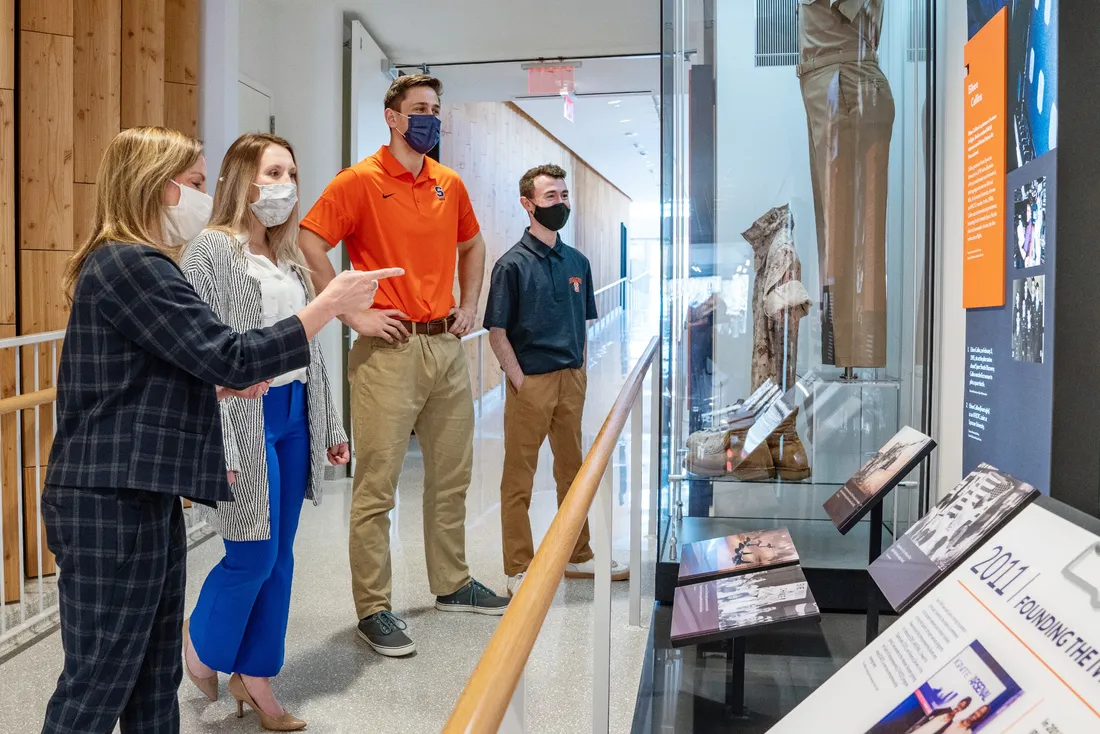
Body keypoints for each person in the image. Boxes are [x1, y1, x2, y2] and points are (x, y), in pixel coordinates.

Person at [39, 126, 398, 734]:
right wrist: (331, 303)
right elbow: (226, 351)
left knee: (152, 676)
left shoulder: (145, 265)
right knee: (100, 679)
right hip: (109, 497)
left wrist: (216, 386)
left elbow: (162, 367)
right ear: (158, 187)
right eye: (197, 184)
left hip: (142, 491)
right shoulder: (133, 265)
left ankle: (251, 672)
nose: (203, 197)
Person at [298, 74, 509, 658]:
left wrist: (469, 304)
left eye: (435, 110)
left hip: (444, 345)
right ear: (392, 117)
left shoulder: (449, 182)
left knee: (452, 476)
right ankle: (374, 609)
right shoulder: (359, 182)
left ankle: (452, 583)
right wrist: (349, 314)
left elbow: (474, 245)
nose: (430, 119)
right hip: (387, 347)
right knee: (376, 488)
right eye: (419, 110)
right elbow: (309, 241)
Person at [177, 133, 349, 731]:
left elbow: (309, 347)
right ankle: (200, 647)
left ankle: (257, 678)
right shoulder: (210, 252)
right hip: (240, 417)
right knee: (250, 554)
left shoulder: (288, 258)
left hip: (293, 411)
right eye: (273, 171)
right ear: (240, 179)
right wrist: (204, 433)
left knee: (281, 559)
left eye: (292, 173)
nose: (285, 185)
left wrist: (329, 421)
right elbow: (194, 350)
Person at [483, 164, 629, 595]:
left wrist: (578, 372)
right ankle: (518, 566)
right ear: (528, 205)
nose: (561, 204)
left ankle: (578, 555)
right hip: (531, 383)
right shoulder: (510, 265)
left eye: (564, 196)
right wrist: (521, 382)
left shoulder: (577, 261)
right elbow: (497, 334)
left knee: (574, 472)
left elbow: (583, 325)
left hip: (571, 382)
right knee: (519, 478)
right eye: (551, 197)